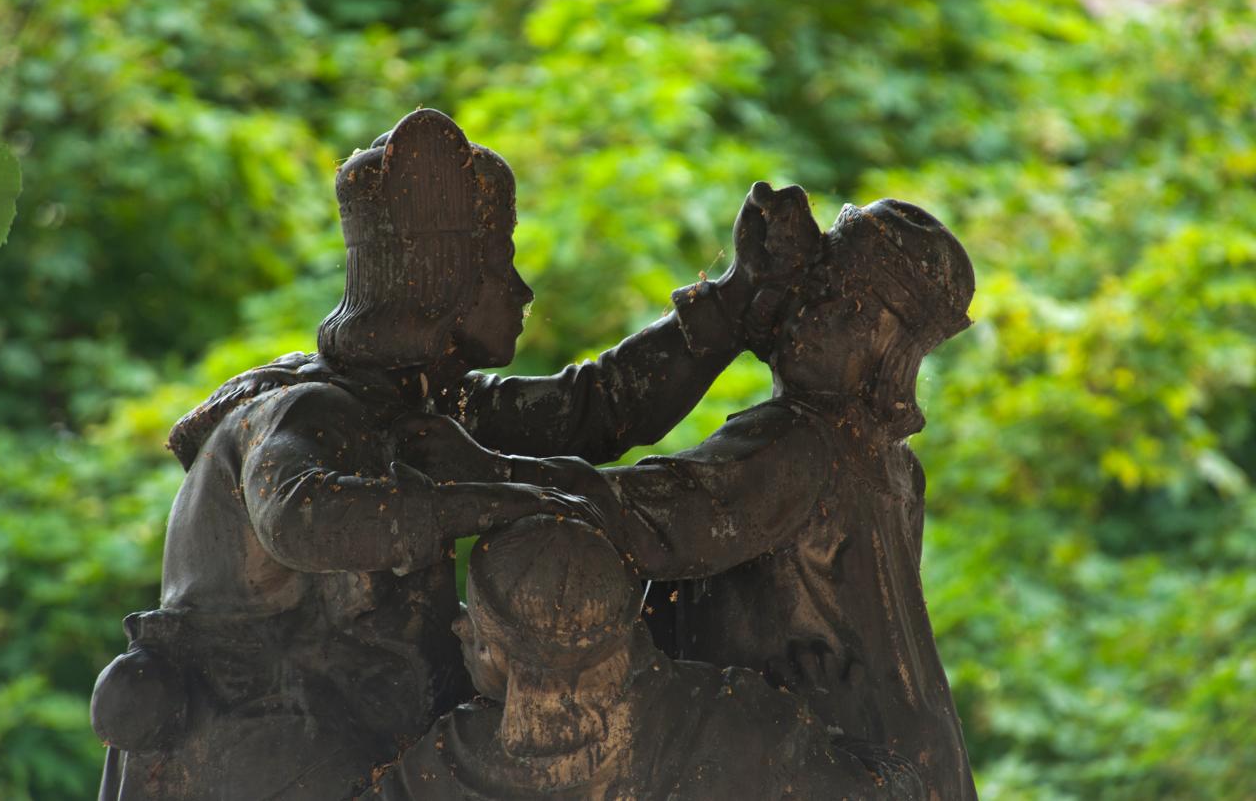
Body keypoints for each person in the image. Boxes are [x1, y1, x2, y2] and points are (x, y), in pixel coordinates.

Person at [91, 109, 801, 800]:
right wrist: (489, 499)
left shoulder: (422, 408)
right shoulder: (307, 411)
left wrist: (735, 301)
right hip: (266, 760)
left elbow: (597, 406)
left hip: (356, 741)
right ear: (442, 285)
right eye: (501, 268)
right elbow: (301, 518)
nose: (522, 292)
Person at [404, 192, 978, 798]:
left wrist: (485, 473)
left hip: (835, 760)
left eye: (847, 309)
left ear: (891, 356)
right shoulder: (890, 465)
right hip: (917, 755)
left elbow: (654, 518)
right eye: (815, 286)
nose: (811, 312)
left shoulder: (799, 441)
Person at [382, 516, 922, 800]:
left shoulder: (441, 766)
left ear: (505, 656)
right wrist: (841, 727)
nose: (458, 626)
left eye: (475, 624)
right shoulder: (742, 722)